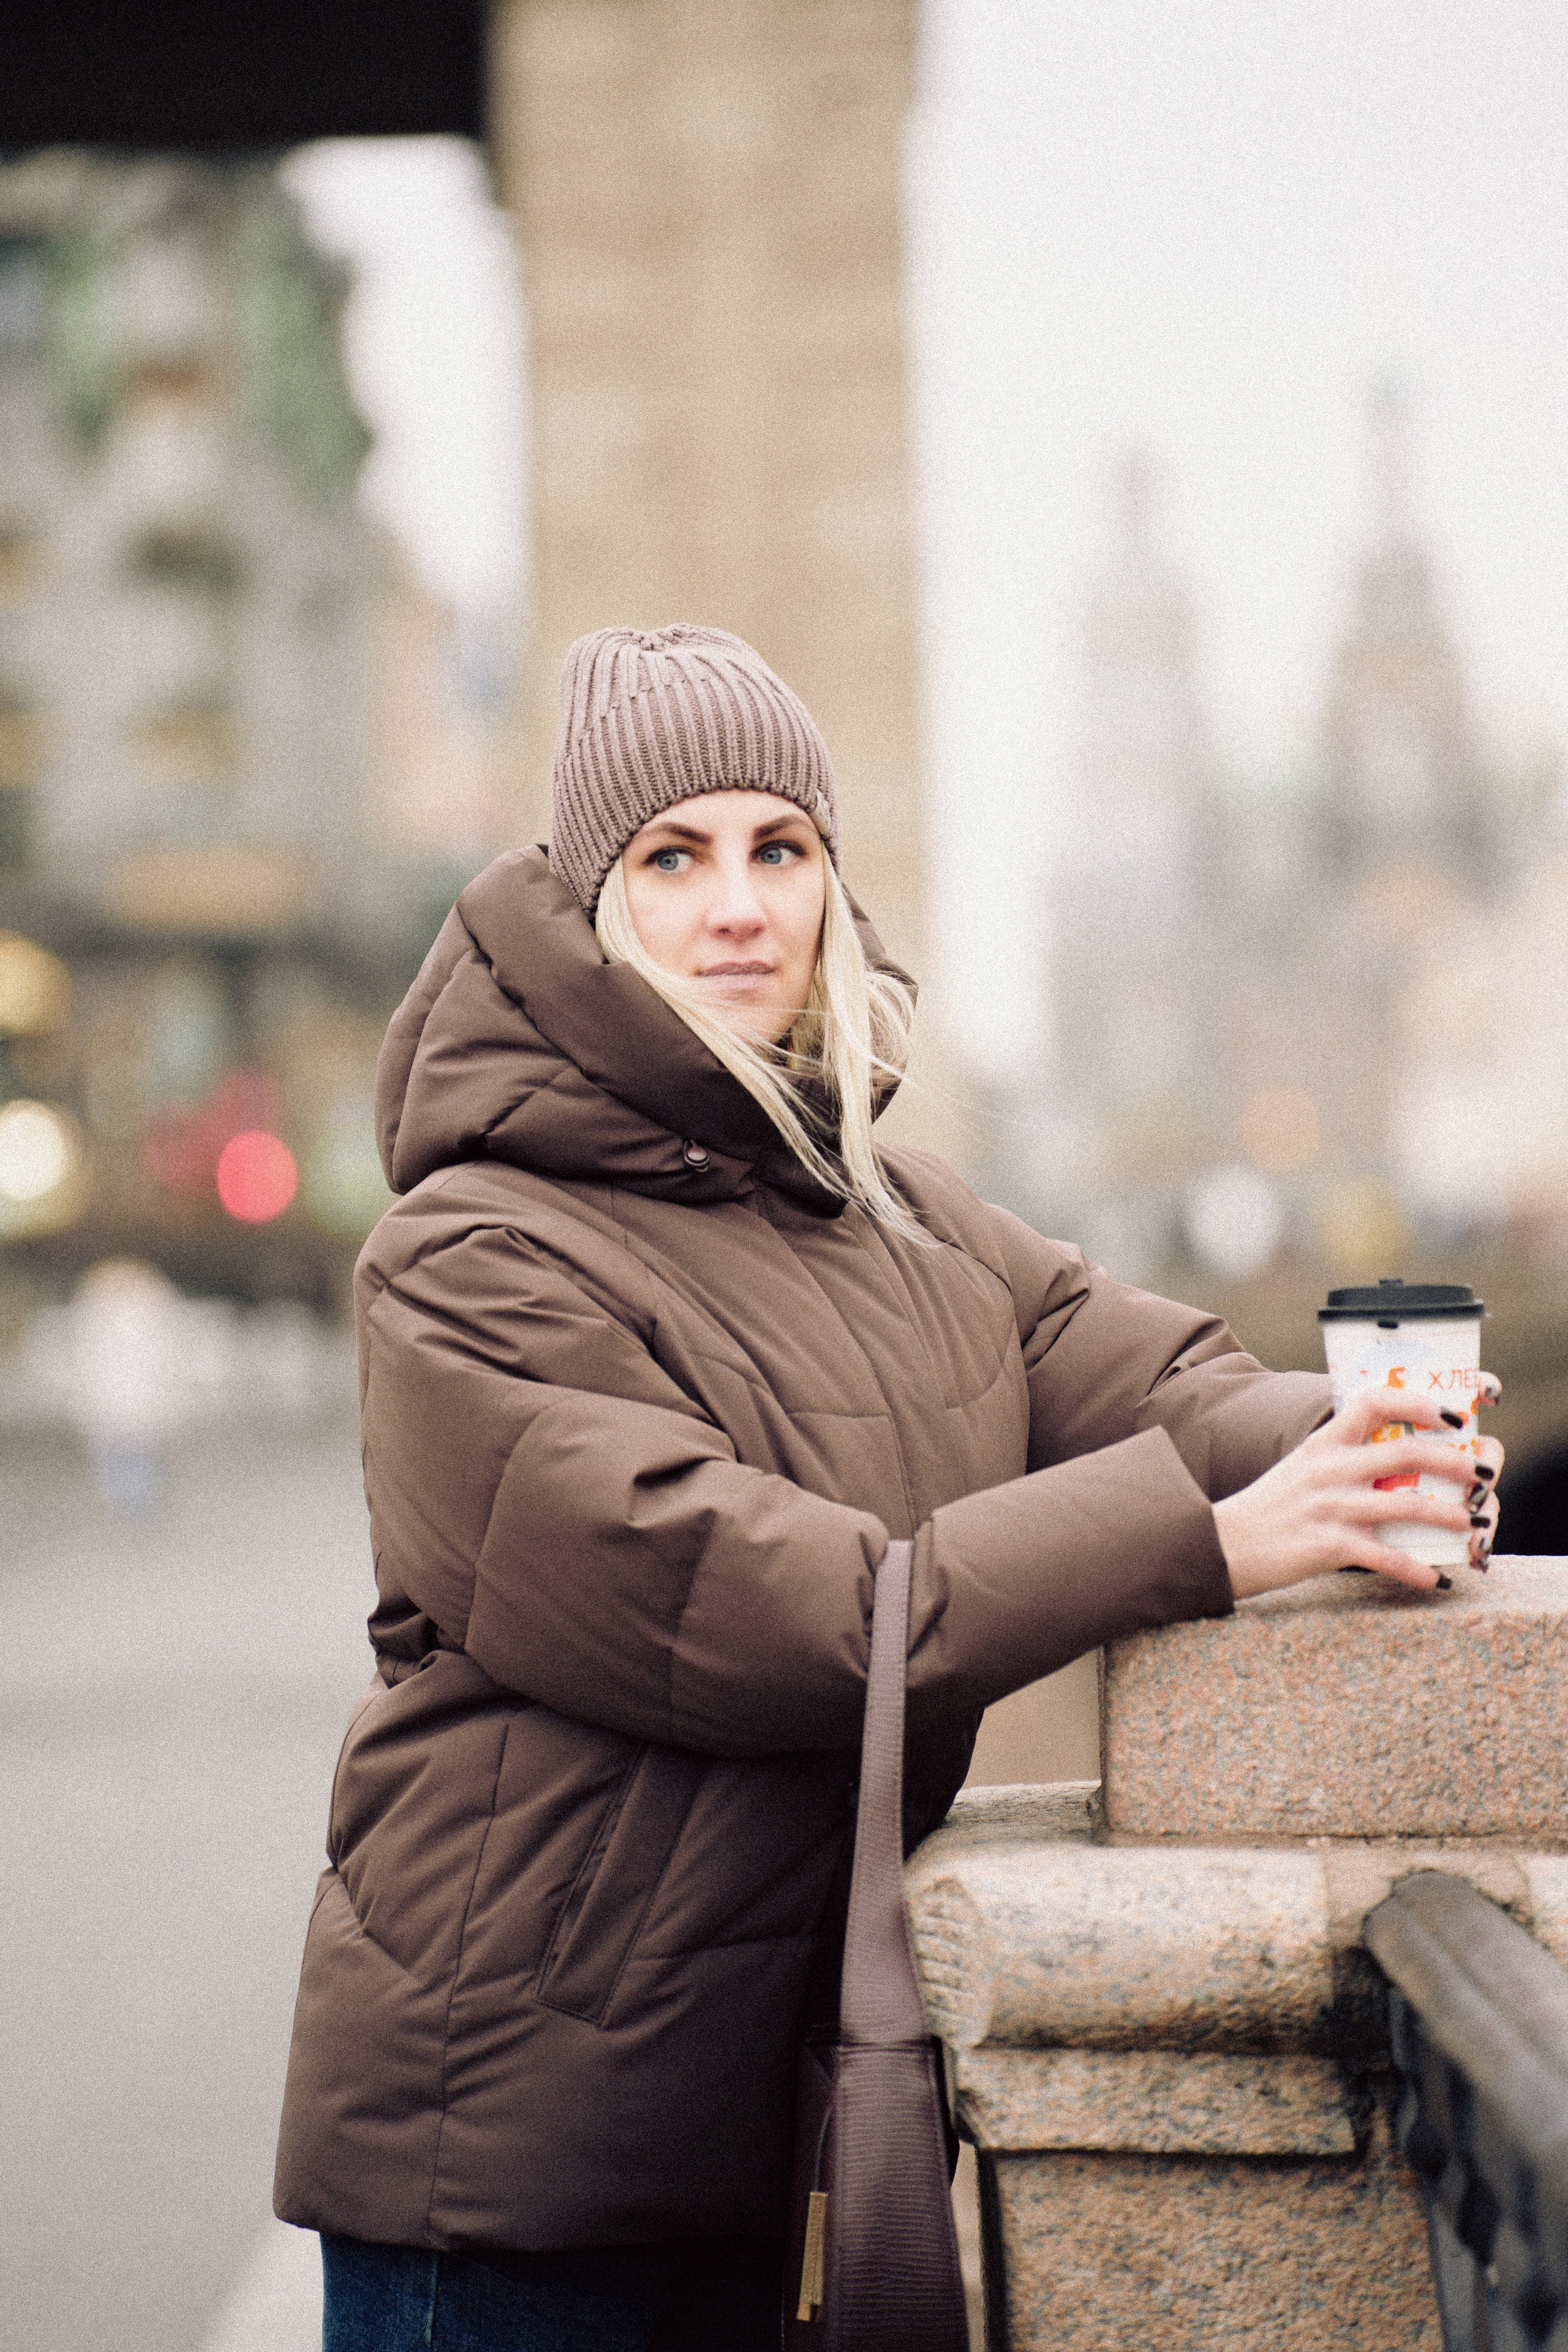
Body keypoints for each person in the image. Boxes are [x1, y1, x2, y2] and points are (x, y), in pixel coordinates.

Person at [273, 625, 1502, 2351]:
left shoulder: (898, 1213)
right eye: (673, 858)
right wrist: (1205, 1546)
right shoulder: (465, 1255)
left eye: (781, 850)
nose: (739, 906)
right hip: (513, 2153)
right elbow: (778, 1606)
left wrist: (1381, 1431)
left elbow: (1157, 1379)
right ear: (587, 899)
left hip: (769, 2109)